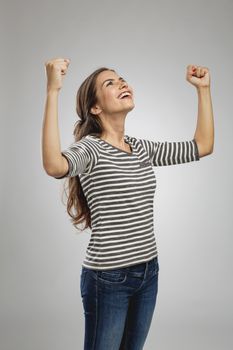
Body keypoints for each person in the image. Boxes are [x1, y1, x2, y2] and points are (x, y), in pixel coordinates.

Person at [42, 58, 214, 350]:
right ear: (95, 107)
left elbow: (202, 146)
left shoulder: (142, 148)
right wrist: (53, 91)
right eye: (110, 83)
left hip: (149, 272)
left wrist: (203, 90)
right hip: (108, 279)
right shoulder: (91, 149)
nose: (122, 83)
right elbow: (54, 165)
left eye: (122, 78)